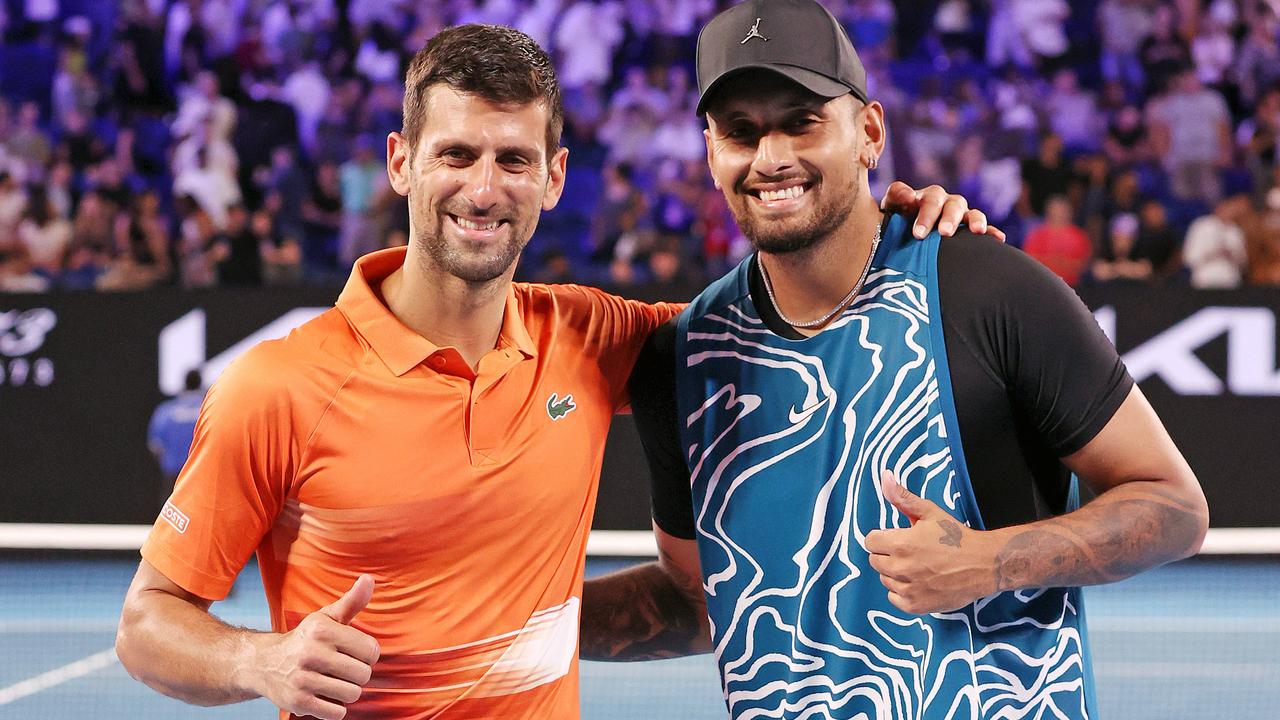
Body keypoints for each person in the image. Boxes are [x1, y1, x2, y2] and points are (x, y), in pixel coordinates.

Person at [113, 22, 990, 720]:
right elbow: (148, 624)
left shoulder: (588, 333)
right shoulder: (277, 388)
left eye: (514, 159)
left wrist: (896, 238)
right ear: (400, 162)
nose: (484, 189)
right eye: (456, 154)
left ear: (556, 176)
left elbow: (786, 315)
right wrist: (256, 658)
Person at [580, 3, 1209, 720]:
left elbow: (1175, 507)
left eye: (801, 121)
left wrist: (989, 562)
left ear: (869, 132)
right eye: (741, 132)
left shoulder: (987, 289)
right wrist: (498, 613)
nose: (771, 156)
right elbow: (697, 605)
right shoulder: (684, 357)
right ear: (711, 152)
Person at [146, 369, 205, 511]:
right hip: (201, 472)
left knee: (172, 519)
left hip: (173, 473)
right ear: (201, 384)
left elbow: (155, 445)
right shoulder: (207, 409)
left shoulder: (166, 410)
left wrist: (168, 461)